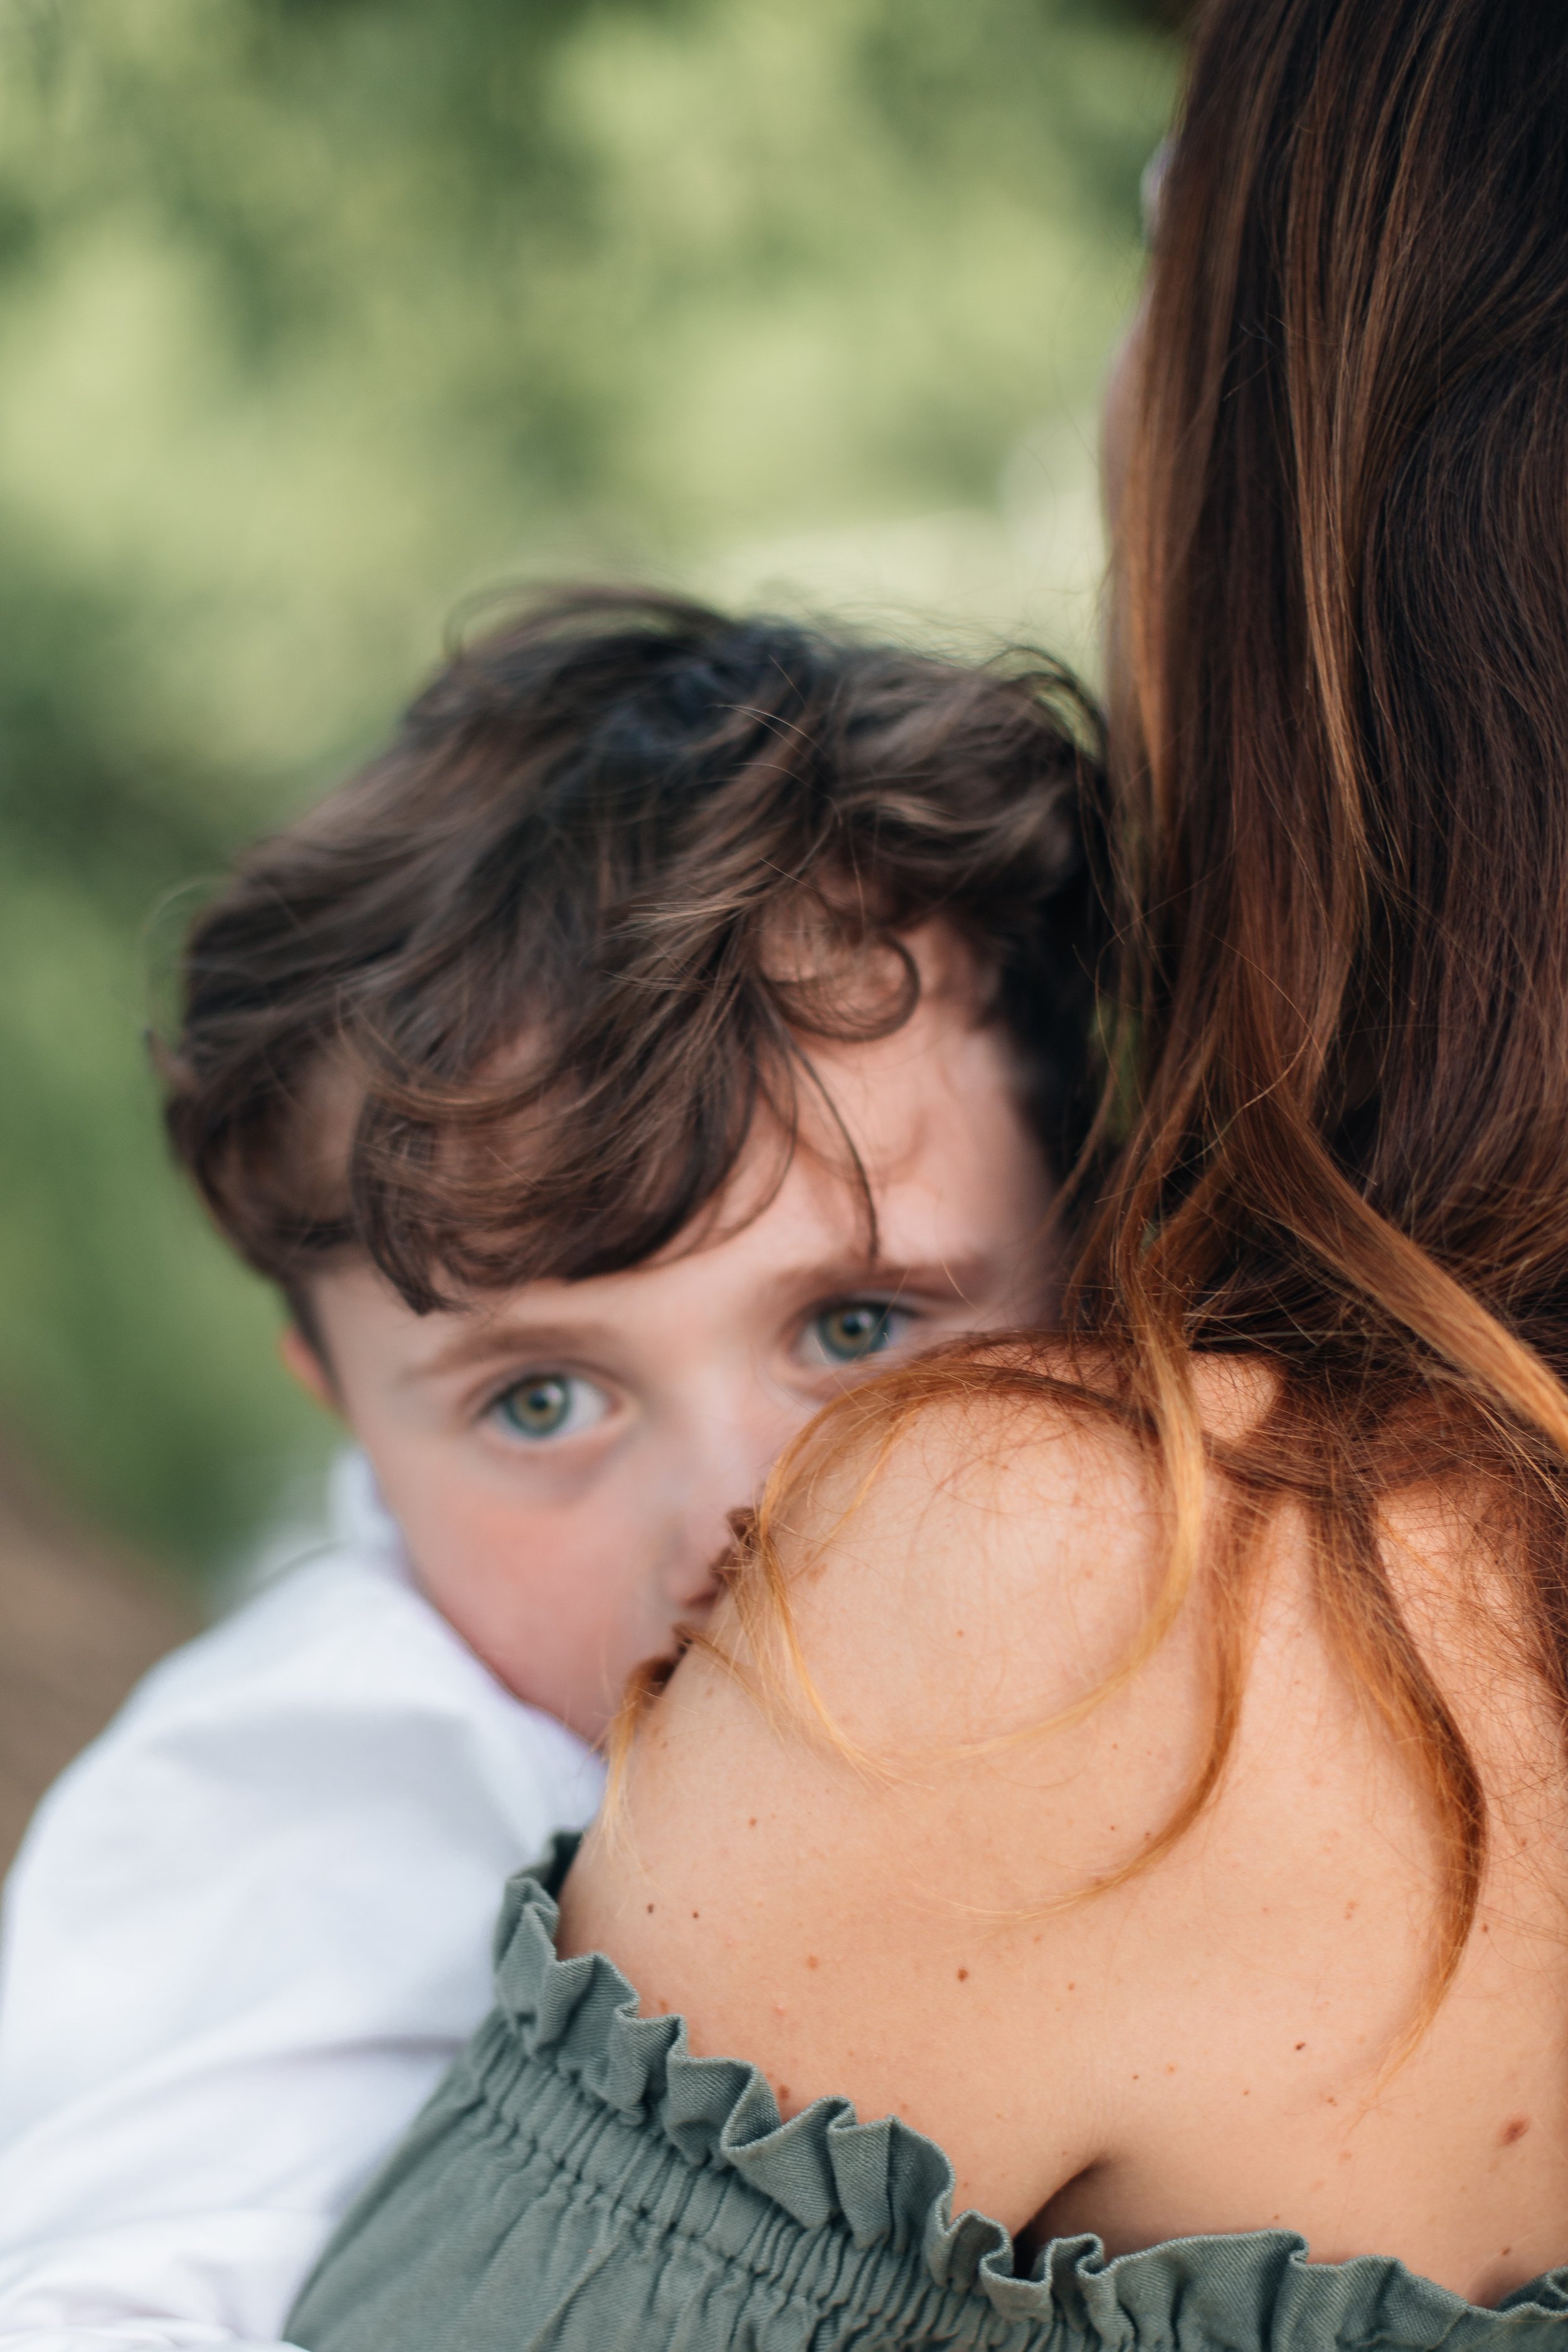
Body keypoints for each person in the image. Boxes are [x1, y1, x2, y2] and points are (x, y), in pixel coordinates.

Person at [285, 4, 1568, 2346]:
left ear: (1345, 494)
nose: (746, 1497)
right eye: (537, 1387)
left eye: (1168, 237)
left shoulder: (1052, 1615)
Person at [0, 591, 1103, 2350]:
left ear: (1096, 1251)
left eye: (854, 1328)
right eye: (537, 1405)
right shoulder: (307, 1801)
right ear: (351, 1419)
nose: (741, 1519)